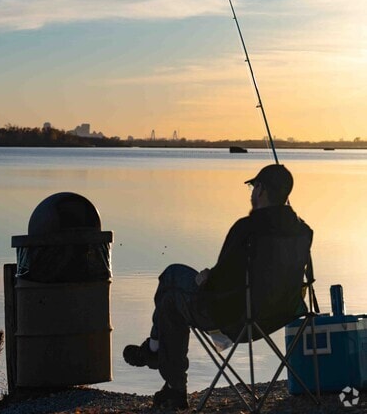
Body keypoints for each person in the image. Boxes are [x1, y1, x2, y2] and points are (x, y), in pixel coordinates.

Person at [123, 164, 313, 410]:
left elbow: (222, 279)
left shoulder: (247, 228)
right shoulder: (303, 231)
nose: (251, 194)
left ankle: (165, 369)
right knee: (173, 292)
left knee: (171, 282)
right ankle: (157, 354)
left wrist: (206, 279)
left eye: (254, 187)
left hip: (235, 318)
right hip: (279, 315)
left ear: (262, 190)